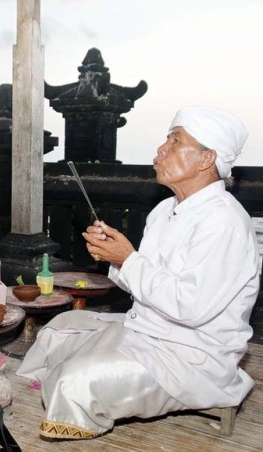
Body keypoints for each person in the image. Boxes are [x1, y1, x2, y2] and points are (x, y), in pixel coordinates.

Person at [16, 105, 259, 441]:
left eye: (175, 142)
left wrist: (127, 259)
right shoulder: (165, 210)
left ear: (206, 159)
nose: (161, 150)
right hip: (146, 328)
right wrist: (114, 257)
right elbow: (148, 282)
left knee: (74, 383)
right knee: (57, 331)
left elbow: (190, 307)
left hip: (189, 354)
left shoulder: (225, 222)